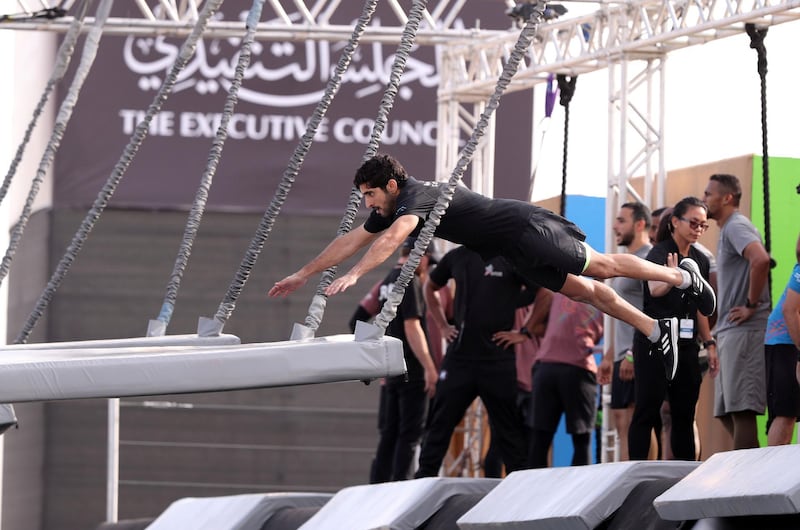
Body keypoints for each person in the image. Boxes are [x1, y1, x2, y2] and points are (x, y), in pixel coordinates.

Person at [269, 154, 716, 380]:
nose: (367, 205)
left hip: (526, 228)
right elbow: (353, 238)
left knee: (600, 268)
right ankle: (653, 331)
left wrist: (356, 274)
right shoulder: (388, 205)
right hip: (509, 250)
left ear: (390, 185)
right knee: (584, 292)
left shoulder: (415, 197)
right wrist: (304, 273)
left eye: (370, 195)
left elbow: (393, 236)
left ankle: (680, 276)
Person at [414, 246, 534, 478]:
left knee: (509, 431)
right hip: (460, 358)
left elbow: (542, 292)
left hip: (497, 359)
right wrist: (442, 325)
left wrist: (526, 331)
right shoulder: (457, 256)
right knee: (439, 424)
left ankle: (520, 486)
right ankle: (422, 482)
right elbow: (431, 286)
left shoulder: (510, 256)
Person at [627, 197, 719, 461]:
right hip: (654, 342)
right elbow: (654, 290)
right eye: (693, 222)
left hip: (687, 345)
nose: (698, 229)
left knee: (684, 413)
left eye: (704, 225)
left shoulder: (700, 258)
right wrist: (673, 277)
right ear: (676, 222)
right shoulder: (659, 252)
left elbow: (702, 307)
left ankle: (685, 476)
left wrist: (709, 343)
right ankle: (636, 474)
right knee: (647, 409)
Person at [356, 237, 439, 482]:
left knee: (390, 434)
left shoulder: (387, 282)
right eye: (428, 262)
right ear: (420, 257)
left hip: (389, 368)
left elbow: (357, 320)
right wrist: (429, 367)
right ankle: (399, 488)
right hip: (410, 369)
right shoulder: (408, 280)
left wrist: (371, 356)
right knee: (410, 435)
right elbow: (412, 327)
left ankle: (376, 486)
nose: (427, 268)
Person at [703, 173, 771, 450]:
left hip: (745, 330)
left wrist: (751, 305)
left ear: (727, 198)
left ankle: (751, 481)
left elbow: (761, 260)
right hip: (730, 331)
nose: (704, 198)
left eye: (709, 194)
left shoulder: (736, 226)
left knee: (742, 411)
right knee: (726, 412)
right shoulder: (727, 228)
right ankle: (752, 470)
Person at [598, 201, 653, 461]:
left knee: (636, 422)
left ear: (640, 224)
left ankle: (644, 484)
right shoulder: (625, 260)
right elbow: (623, 311)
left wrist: (632, 352)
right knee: (621, 421)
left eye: (621, 220)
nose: (614, 226)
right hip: (622, 354)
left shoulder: (650, 259)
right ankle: (628, 486)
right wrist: (610, 355)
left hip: (639, 352)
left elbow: (652, 310)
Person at [527, 289, 604, 467]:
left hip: (547, 365)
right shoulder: (608, 295)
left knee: (540, 439)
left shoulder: (560, 286)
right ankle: (579, 492)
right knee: (582, 440)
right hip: (579, 367)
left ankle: (532, 491)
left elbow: (533, 326)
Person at [764, 232, 800, 445]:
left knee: (791, 412)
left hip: (791, 343)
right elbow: (790, 311)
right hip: (785, 343)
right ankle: (772, 476)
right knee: (786, 413)